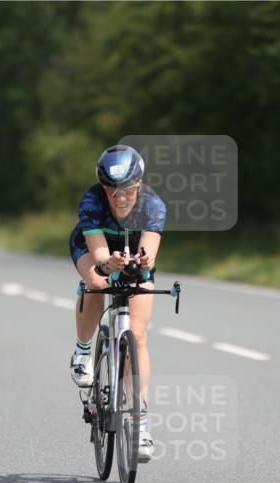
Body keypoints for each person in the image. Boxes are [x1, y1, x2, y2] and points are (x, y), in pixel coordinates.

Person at [69, 145, 166, 462]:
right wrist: (108, 265)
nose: (119, 197)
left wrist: (142, 260)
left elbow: (150, 251)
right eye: (112, 191)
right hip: (95, 249)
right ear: (103, 188)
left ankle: (140, 427)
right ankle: (84, 350)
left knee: (137, 335)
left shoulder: (153, 206)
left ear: (138, 184)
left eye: (126, 189)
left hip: (133, 255)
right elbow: (98, 258)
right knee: (96, 283)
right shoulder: (92, 202)